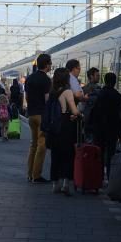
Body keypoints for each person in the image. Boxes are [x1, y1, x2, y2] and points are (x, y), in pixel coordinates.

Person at [48, 67, 81, 195]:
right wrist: (79, 115)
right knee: (67, 155)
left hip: (54, 127)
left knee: (55, 155)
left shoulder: (52, 92)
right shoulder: (67, 92)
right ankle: (65, 184)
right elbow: (74, 110)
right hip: (66, 126)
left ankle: (55, 184)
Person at [91, 72, 121, 181]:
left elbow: (94, 112)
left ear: (105, 80)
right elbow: (120, 115)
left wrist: (89, 126)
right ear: (115, 82)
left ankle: (97, 176)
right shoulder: (118, 97)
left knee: (98, 153)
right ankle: (110, 177)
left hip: (99, 129)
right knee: (111, 154)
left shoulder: (99, 94)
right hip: (112, 129)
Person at [25, 54, 52, 183]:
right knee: (42, 145)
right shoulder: (46, 80)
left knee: (33, 144)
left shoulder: (29, 78)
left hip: (31, 114)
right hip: (41, 114)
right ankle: (36, 175)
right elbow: (47, 99)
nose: (51, 66)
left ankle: (29, 173)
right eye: (50, 64)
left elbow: (26, 97)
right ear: (46, 65)